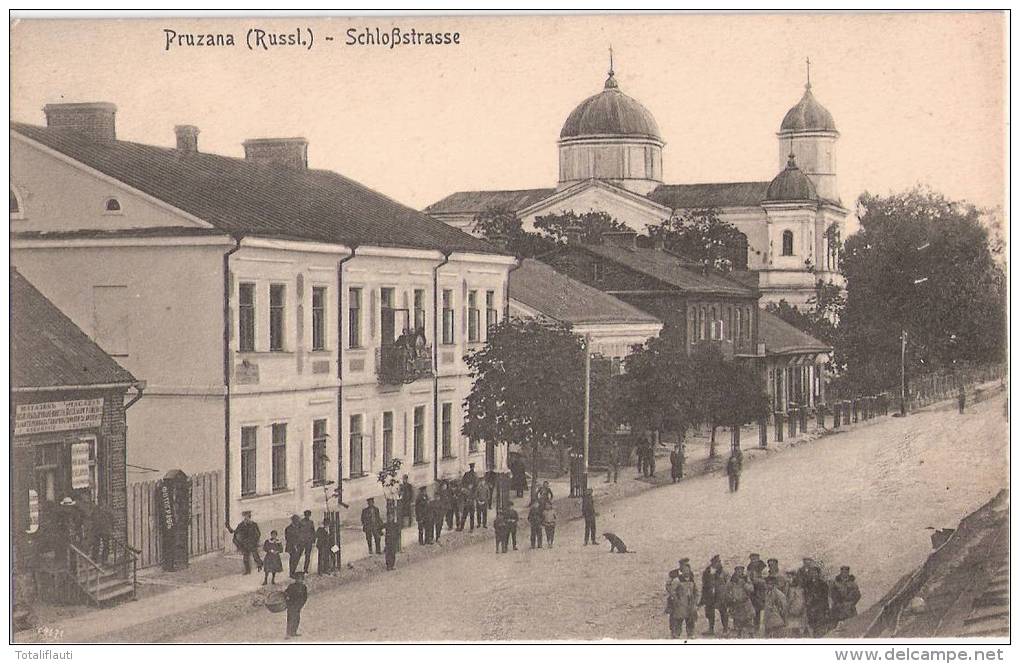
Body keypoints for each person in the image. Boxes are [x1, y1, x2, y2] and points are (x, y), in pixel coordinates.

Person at [700, 554, 729, 636]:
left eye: (719, 561)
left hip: (720, 595)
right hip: (710, 595)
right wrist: (704, 597)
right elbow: (704, 585)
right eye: (717, 562)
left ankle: (725, 630)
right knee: (710, 613)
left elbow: (728, 583)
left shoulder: (723, 572)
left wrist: (725, 593)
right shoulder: (706, 572)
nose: (719, 563)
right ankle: (711, 629)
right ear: (713, 562)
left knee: (723, 612)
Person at [725, 565, 756, 638]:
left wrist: (744, 584)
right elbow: (727, 591)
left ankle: (751, 636)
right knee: (738, 621)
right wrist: (731, 598)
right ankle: (738, 636)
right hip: (737, 604)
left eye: (741, 570)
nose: (739, 572)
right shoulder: (731, 580)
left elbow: (751, 589)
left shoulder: (746, 579)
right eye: (737, 570)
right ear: (735, 571)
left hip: (746, 603)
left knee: (749, 620)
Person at [671, 560, 700, 639]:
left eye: (688, 570)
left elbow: (696, 591)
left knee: (690, 621)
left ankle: (690, 635)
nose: (686, 572)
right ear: (682, 571)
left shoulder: (692, 580)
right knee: (679, 621)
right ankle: (676, 636)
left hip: (690, 604)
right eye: (684, 570)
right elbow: (672, 591)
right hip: (681, 605)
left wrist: (696, 602)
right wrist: (676, 600)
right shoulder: (677, 580)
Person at [228, 510, 262, 575]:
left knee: (255, 556)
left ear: (250, 517)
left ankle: (260, 565)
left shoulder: (254, 525)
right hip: (244, 544)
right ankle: (247, 570)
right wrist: (239, 545)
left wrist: (256, 541)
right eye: (245, 518)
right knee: (246, 557)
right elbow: (236, 533)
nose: (246, 519)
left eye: (248, 517)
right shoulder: (241, 525)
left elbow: (258, 534)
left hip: (252, 543)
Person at [802, 563, 831, 636]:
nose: (813, 574)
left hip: (820, 608)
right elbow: (805, 596)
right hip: (810, 608)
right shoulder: (807, 584)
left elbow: (825, 598)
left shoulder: (823, 584)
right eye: (812, 572)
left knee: (820, 627)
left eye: (815, 572)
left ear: (818, 574)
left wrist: (826, 610)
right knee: (811, 626)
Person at [283, 571, 308, 639]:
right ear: (296, 579)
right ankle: (288, 633)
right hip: (291, 605)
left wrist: (301, 604)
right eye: (298, 578)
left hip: (298, 605)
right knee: (290, 619)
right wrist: (287, 599)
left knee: (297, 619)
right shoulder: (291, 586)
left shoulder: (303, 587)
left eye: (301, 579)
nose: (300, 580)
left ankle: (293, 632)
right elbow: (286, 593)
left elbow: (305, 597)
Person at [785, 572, 808, 637]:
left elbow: (792, 600)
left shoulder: (796, 589)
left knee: (797, 628)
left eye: (790, 577)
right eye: (788, 577)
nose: (788, 579)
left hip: (796, 610)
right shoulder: (791, 588)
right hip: (796, 611)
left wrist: (788, 608)